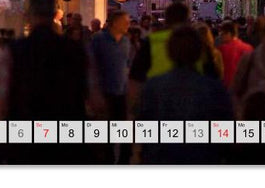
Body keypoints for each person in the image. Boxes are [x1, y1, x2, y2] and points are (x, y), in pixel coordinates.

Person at [0, 0, 88, 164]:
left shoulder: (14, 51)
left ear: (29, 15)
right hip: (66, 139)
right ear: (53, 14)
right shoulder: (77, 51)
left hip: (23, 138)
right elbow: (94, 99)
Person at [137, 25, 234, 164]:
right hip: (203, 158)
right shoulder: (214, 88)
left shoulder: (153, 86)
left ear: (170, 52)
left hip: (163, 158)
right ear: (199, 52)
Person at [90, 11, 132, 163]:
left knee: (123, 131)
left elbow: (127, 65)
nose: (128, 24)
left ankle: (123, 160)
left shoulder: (126, 42)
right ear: (114, 23)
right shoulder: (99, 40)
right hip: (105, 93)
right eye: (124, 21)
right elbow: (91, 66)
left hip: (121, 92)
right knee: (106, 134)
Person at [217, 19, 253, 89]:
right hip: (244, 87)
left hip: (226, 87)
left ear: (229, 33)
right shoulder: (248, 48)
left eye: (222, 34)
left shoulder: (221, 50)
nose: (220, 37)